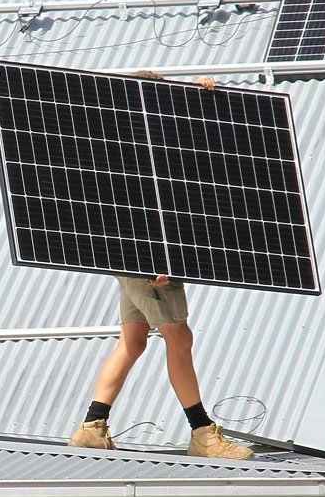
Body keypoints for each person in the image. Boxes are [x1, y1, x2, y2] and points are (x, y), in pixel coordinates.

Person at [68, 72, 253, 461]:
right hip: (145, 259)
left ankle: (91, 428)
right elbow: (138, 202)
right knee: (180, 338)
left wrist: (203, 100)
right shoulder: (132, 147)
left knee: (133, 341)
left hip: (127, 255)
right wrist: (155, 258)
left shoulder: (131, 142)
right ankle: (202, 433)